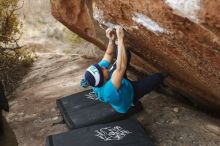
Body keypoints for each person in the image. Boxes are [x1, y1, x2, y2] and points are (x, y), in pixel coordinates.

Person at [80, 26, 167, 113]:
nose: (103, 67)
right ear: (102, 79)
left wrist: (111, 40)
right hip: (131, 94)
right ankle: (165, 77)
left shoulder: (98, 76)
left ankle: (127, 80)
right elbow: (121, 67)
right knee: (157, 78)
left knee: (124, 52)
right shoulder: (108, 91)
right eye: (102, 69)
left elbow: (108, 54)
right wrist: (120, 39)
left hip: (121, 82)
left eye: (100, 67)